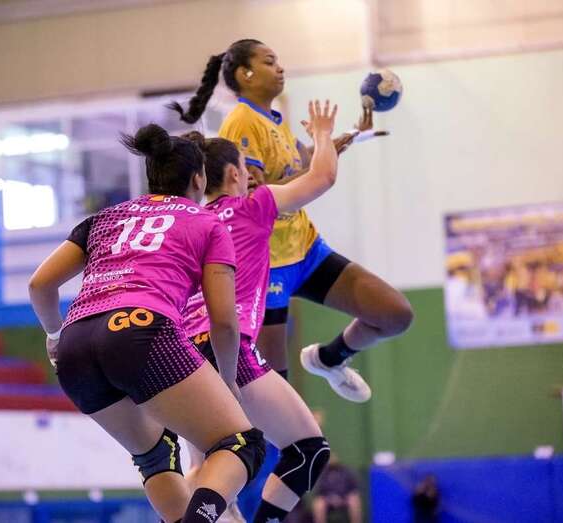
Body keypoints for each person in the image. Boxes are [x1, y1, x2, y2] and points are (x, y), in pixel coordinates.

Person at [29, 124, 266, 523]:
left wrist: (55, 334)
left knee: (155, 455)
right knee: (242, 444)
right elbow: (225, 321)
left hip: (75, 346)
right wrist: (228, 381)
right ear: (199, 179)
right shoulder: (206, 222)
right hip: (141, 330)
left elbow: (40, 285)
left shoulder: (104, 218)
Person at [170, 38, 413, 402]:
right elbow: (255, 197)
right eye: (269, 61)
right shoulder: (242, 122)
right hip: (267, 266)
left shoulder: (275, 119)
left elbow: (304, 163)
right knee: (274, 388)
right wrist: (321, 145)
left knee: (394, 314)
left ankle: (329, 359)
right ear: (245, 74)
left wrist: (345, 137)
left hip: (305, 248)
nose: (280, 67)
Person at [180, 98, 338, 523]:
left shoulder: (191, 222)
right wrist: (323, 135)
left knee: (206, 471)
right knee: (308, 451)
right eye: (246, 169)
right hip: (226, 349)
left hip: (179, 356)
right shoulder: (253, 205)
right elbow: (322, 176)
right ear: (236, 174)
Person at [310, 458, 362, 523]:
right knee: (318, 503)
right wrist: (330, 498)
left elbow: (353, 488)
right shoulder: (323, 474)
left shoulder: (346, 472)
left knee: (354, 500)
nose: (332, 460)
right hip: (328, 500)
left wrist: (342, 498)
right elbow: (319, 491)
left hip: (344, 498)